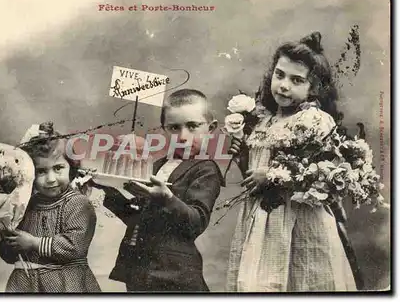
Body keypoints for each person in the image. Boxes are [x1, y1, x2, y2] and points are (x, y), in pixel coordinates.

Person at [225, 32, 358, 292]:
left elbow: (317, 173)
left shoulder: (313, 120)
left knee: (302, 280)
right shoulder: (263, 121)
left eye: (296, 80)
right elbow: (251, 176)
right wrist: (242, 156)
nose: (284, 85)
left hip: (298, 217)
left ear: (314, 88)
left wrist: (272, 175)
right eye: (279, 75)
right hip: (262, 219)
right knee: (258, 281)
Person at [94, 89, 223, 292]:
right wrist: (104, 188)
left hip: (174, 273)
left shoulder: (205, 170)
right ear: (163, 129)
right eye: (174, 128)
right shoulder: (156, 165)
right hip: (140, 267)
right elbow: (137, 216)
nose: (183, 136)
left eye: (192, 126)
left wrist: (167, 198)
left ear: (211, 128)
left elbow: (196, 222)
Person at [0, 122, 101, 292]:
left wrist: (34, 243)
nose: (51, 179)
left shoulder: (77, 203)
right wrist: (9, 242)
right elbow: (10, 255)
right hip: (25, 283)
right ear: (29, 173)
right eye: (41, 171)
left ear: (71, 168)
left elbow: (74, 246)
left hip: (64, 284)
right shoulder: (25, 204)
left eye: (58, 168)